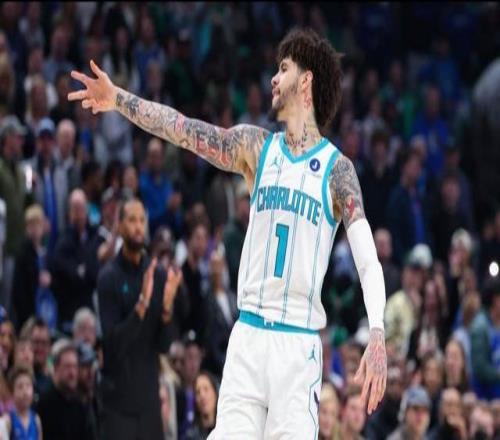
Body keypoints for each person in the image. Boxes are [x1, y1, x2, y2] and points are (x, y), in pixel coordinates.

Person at [69, 27, 388, 437]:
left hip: (297, 348)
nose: (273, 79)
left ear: (306, 81)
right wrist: (118, 99)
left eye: (284, 68)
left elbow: (367, 259)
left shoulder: (336, 171)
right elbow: (182, 129)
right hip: (248, 337)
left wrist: (377, 331)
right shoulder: (255, 147)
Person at [97, 198, 183, 440]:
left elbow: (164, 345)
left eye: (141, 220)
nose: (138, 226)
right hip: (118, 404)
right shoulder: (108, 277)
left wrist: (167, 311)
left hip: (149, 403)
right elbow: (113, 345)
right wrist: (142, 305)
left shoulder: (157, 274)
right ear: (120, 226)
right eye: (132, 220)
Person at [36, 340, 93, 440]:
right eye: (67, 367)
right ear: (56, 369)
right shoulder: (43, 404)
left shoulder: (81, 405)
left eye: (75, 367)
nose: (72, 373)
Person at [6, 366, 42, 440]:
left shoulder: (36, 420)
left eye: (28, 385)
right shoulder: (8, 421)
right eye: (20, 387)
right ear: (12, 392)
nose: (25, 392)